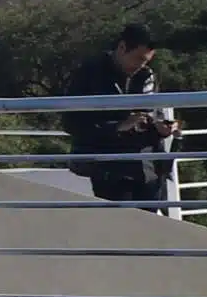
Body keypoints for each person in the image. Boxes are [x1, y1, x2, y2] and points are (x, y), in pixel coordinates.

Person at [63, 23, 180, 207]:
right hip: (110, 169)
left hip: (149, 169)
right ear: (122, 47)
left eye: (146, 61)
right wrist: (118, 126)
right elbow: (71, 123)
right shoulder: (89, 73)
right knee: (119, 229)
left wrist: (162, 128)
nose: (140, 66)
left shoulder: (147, 75)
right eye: (137, 59)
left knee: (149, 229)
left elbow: (152, 114)